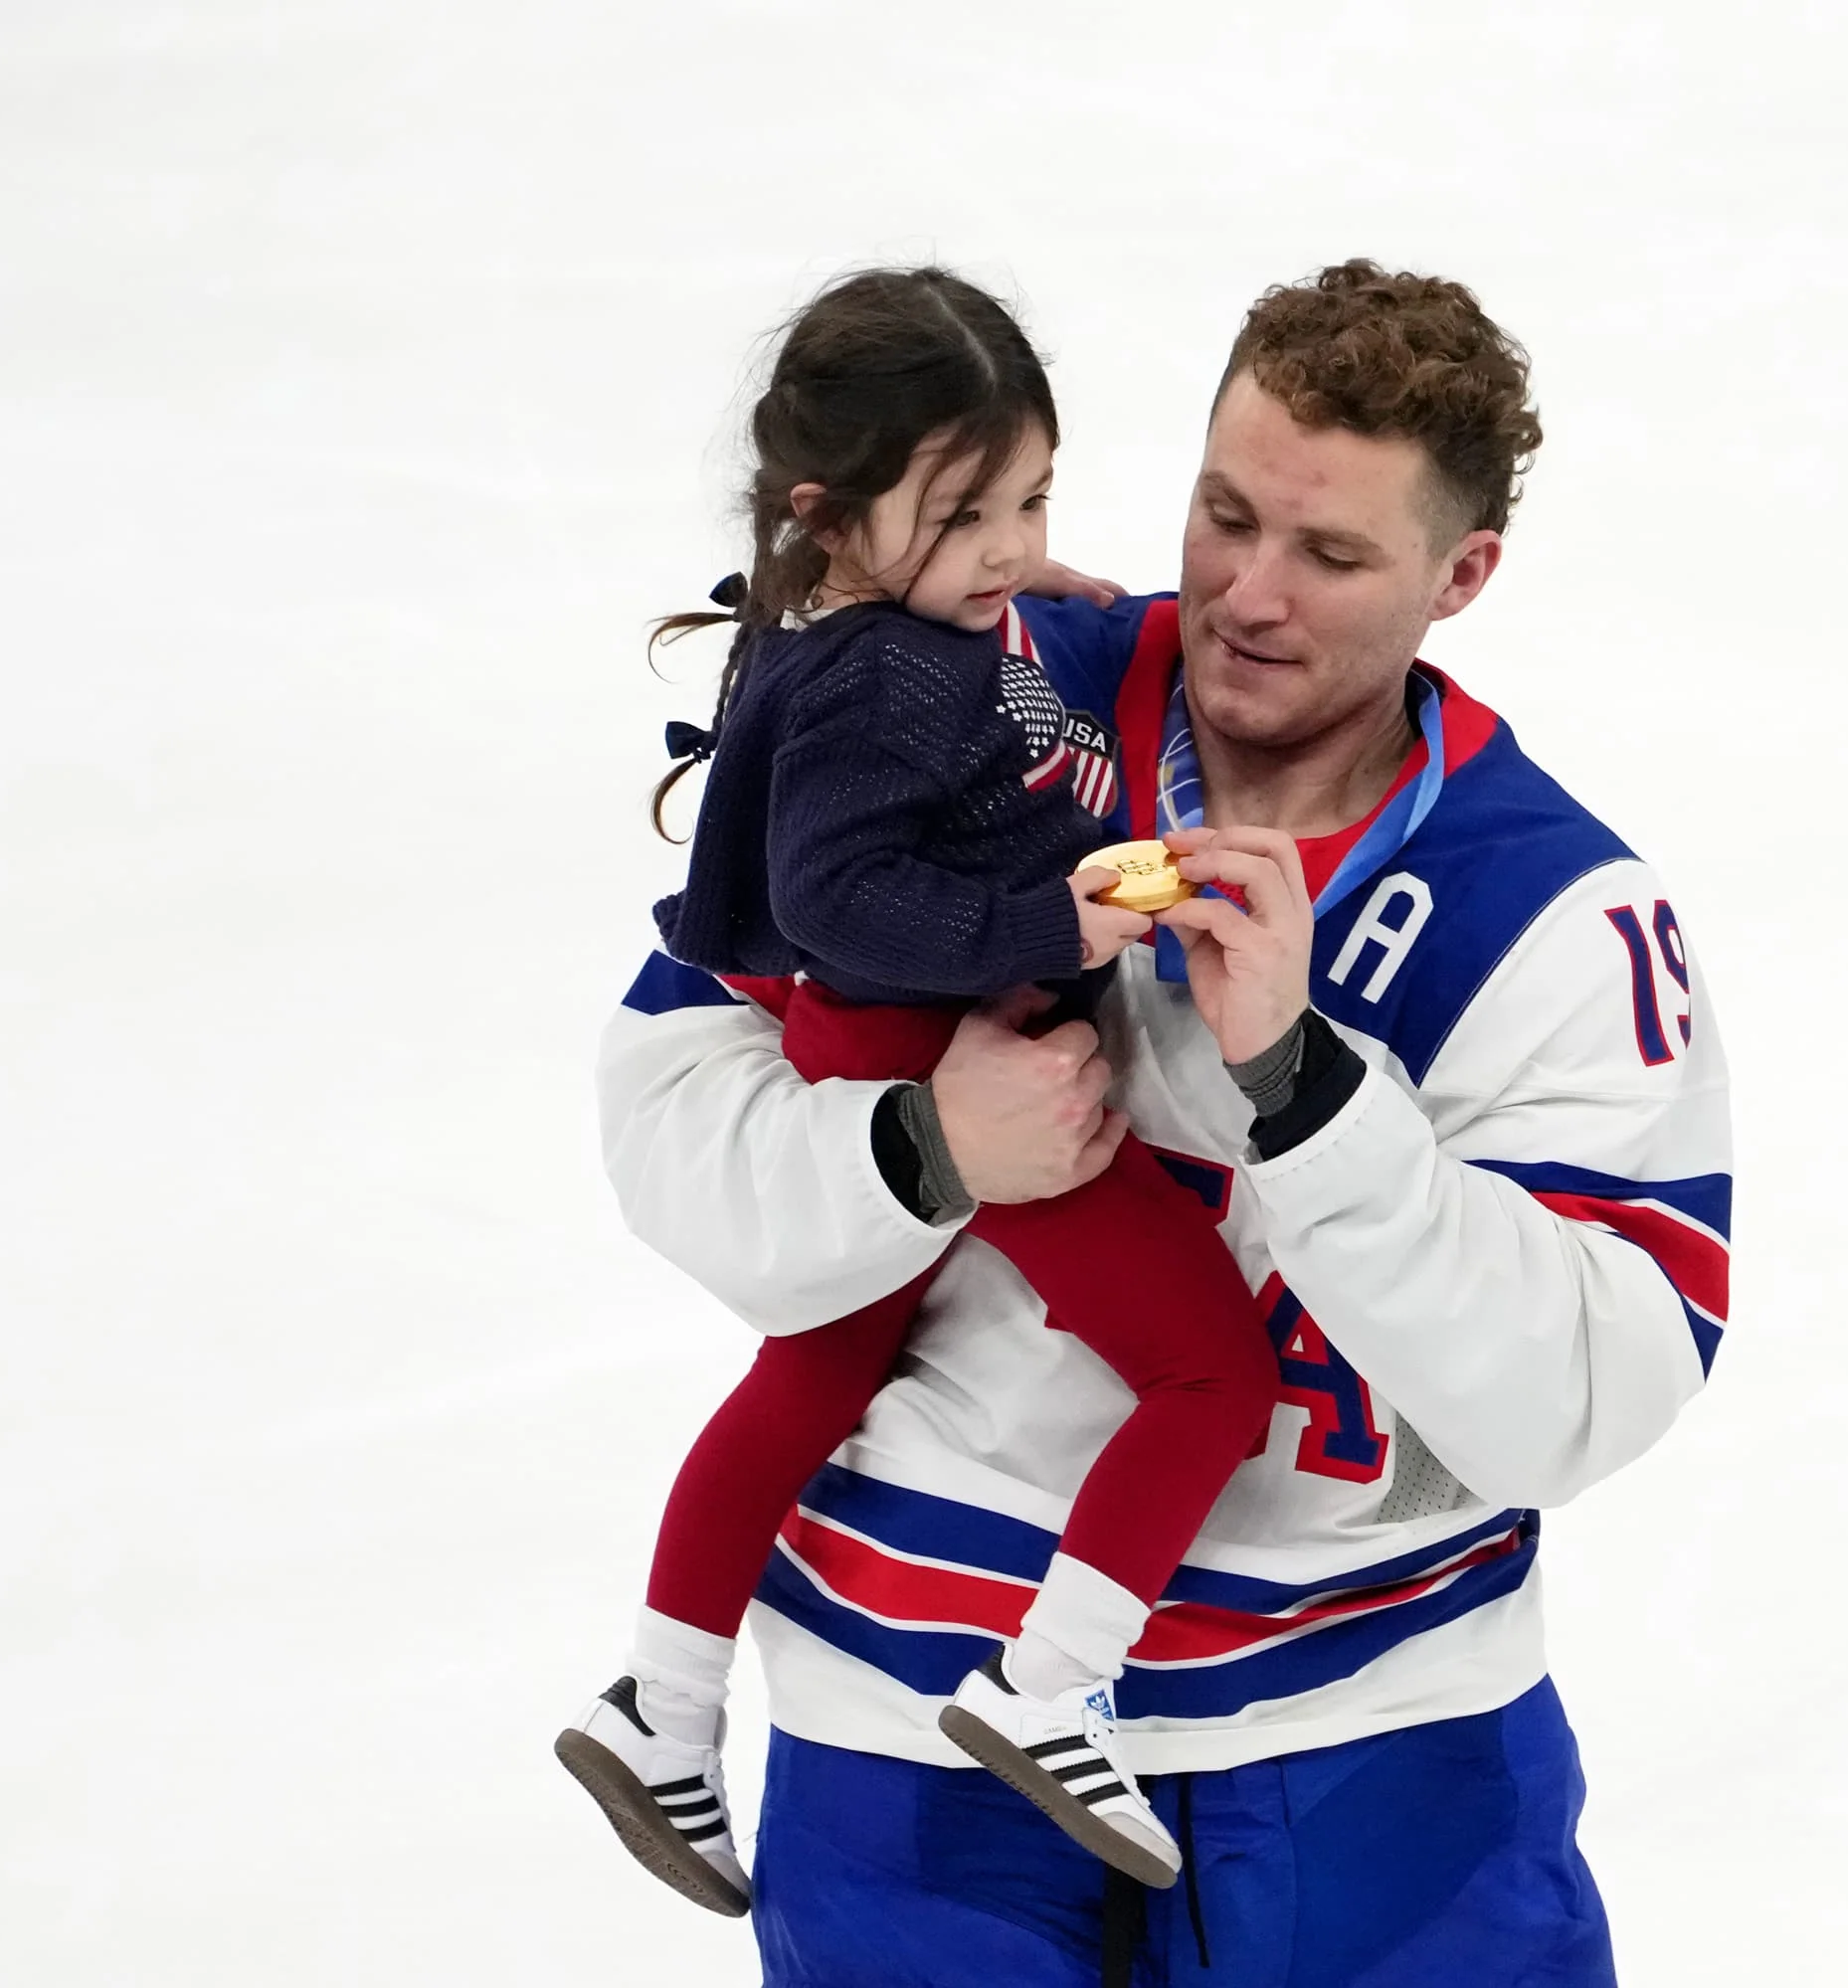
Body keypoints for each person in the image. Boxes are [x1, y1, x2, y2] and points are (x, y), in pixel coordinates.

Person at [598, 261, 1735, 1985]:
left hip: (1383, 1750)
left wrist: (1310, 1095)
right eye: (1222, 516)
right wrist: (924, 1149)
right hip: (914, 1727)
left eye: (1331, 555)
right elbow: (668, 1120)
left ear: (1462, 575)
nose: (1246, 597)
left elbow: (1594, 1388)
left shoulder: (1551, 914)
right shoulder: (964, 693)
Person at [555, 269, 1279, 1913]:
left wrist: (1022, 603)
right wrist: (1056, 921)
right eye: (969, 514)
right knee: (1210, 1377)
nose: (1013, 544)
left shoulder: (905, 627)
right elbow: (835, 904)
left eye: (1030, 496)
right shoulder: (887, 677)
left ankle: (660, 1704)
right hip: (932, 1056)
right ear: (829, 516)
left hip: (914, 1032)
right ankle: (1049, 1685)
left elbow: (982, 705)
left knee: (816, 1367)